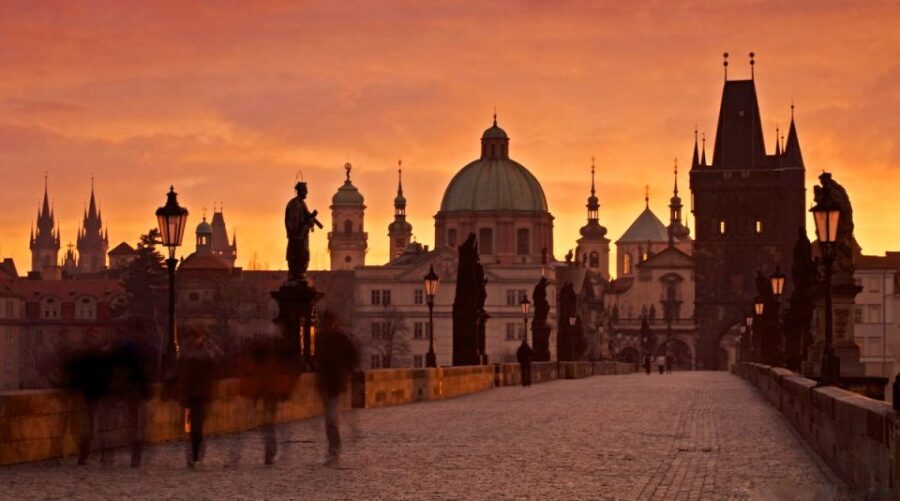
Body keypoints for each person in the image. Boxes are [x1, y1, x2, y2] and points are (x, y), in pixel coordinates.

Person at [314, 315, 360, 466]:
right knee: (330, 420)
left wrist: (343, 371)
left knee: (331, 420)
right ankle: (333, 448)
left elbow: (353, 357)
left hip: (334, 383)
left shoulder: (337, 339)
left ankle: (334, 450)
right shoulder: (321, 338)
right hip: (328, 382)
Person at [179, 325, 222, 467]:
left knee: (196, 427)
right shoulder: (196, 353)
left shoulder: (201, 353)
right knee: (194, 427)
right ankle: (195, 455)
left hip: (198, 394)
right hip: (195, 394)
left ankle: (195, 456)